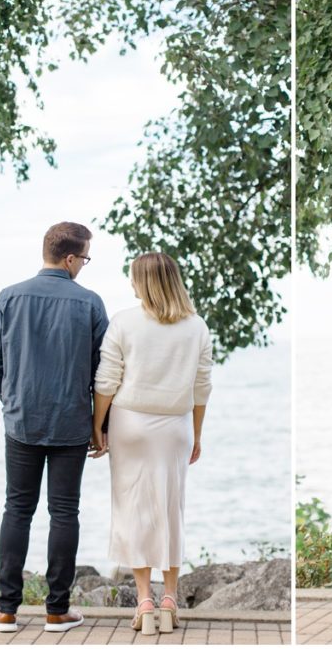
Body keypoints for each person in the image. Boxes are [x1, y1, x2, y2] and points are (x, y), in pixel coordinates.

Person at [0, 222, 108, 634]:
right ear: (70, 258)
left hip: (21, 422)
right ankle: (57, 610)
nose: (84, 266)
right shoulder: (89, 303)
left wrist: (14, 400)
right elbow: (103, 373)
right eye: (85, 258)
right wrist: (98, 423)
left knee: (17, 510)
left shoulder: (9, 297)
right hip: (72, 423)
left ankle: (6, 610)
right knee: (64, 513)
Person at [91, 252, 212, 636]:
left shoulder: (125, 322)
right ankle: (170, 600)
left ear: (142, 283)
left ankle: (145, 601)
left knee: (133, 509)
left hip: (130, 424)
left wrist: (98, 427)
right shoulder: (196, 326)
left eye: (133, 278)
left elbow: (106, 381)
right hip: (174, 426)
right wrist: (196, 433)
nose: (130, 285)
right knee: (170, 508)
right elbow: (201, 386)